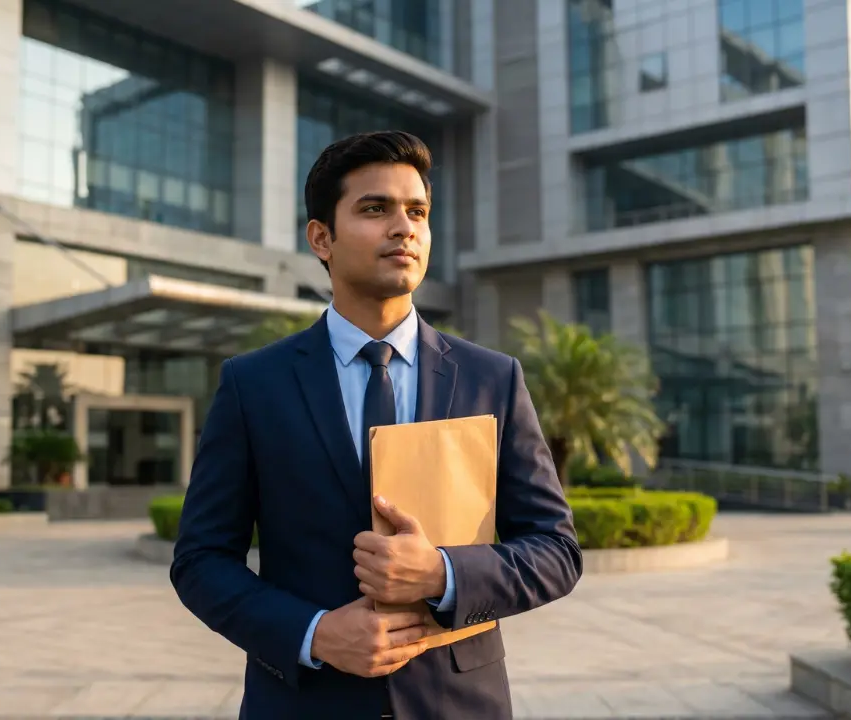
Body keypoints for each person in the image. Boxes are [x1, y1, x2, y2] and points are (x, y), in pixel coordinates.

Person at [170, 130, 583, 719]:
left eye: (418, 211)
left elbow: (556, 549)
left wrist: (441, 573)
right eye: (374, 209)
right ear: (322, 238)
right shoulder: (252, 385)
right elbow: (201, 560)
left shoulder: (493, 378)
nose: (404, 227)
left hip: (458, 704)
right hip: (304, 704)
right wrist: (313, 634)